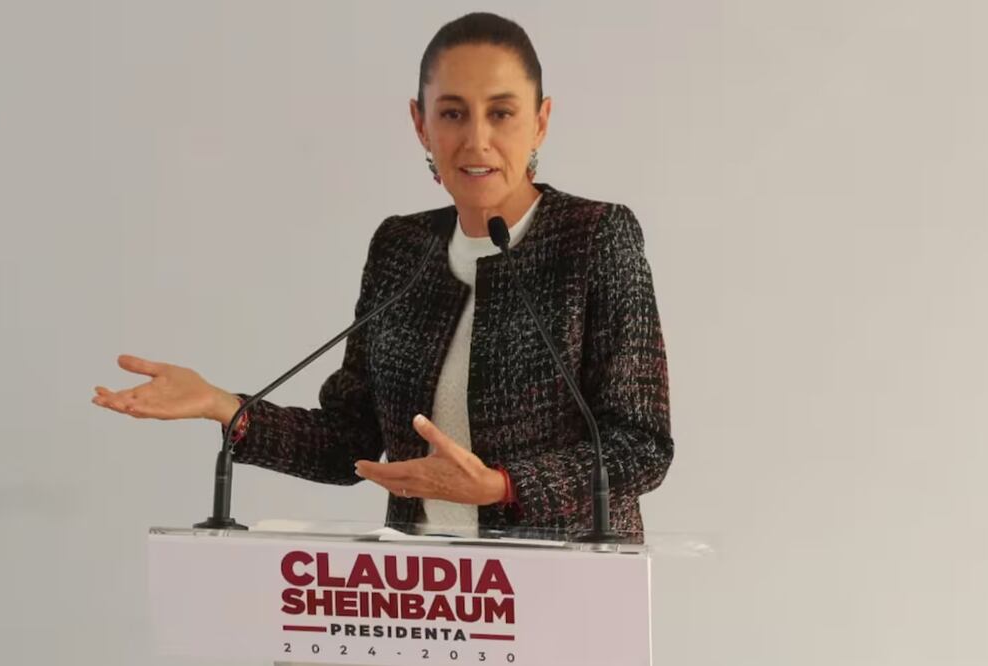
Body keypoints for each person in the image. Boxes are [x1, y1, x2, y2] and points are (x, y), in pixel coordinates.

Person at [91, 12, 673, 541]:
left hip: (563, 591)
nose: (476, 139)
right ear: (420, 124)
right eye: (452, 113)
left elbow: (641, 445)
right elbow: (351, 441)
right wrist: (222, 405)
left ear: (541, 122)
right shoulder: (402, 247)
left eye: (501, 112)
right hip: (418, 596)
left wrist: (499, 486)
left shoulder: (594, 237)